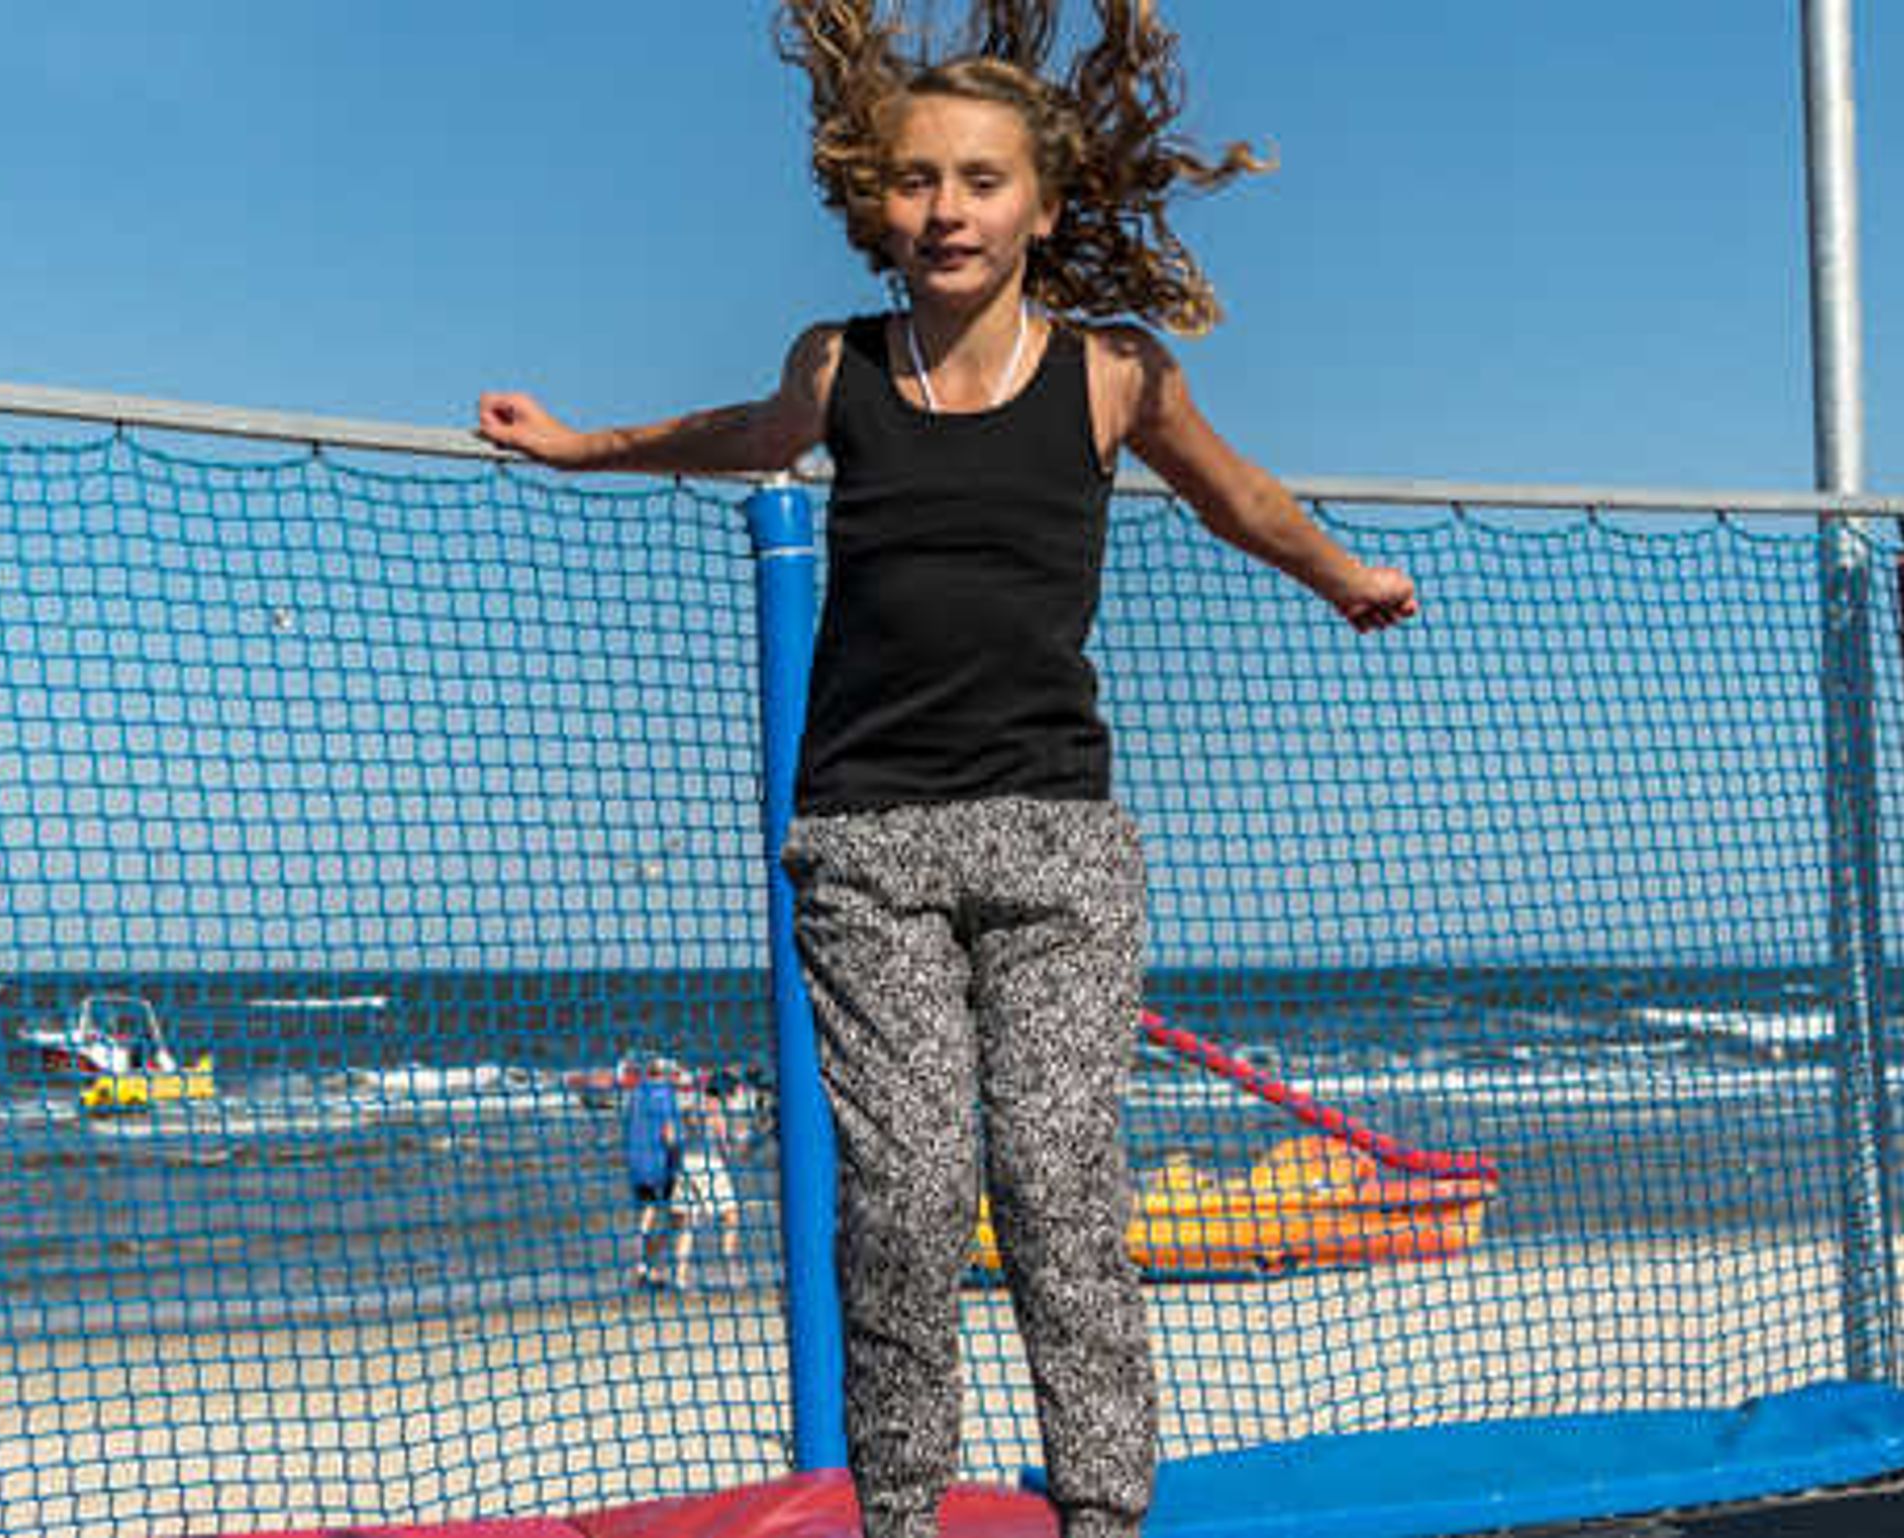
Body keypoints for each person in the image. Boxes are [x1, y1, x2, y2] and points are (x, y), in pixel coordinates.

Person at [478, 5, 1418, 1536]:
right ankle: (901, 1512)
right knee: (908, 1195)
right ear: (877, 202)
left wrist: (1341, 575)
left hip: (1056, 844)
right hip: (867, 843)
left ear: (1043, 203)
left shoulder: (1115, 377)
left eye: (980, 180)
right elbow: (741, 431)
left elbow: (1241, 497)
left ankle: (1106, 1511)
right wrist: (584, 446)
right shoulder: (840, 364)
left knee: (1057, 1190)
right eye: (916, 181)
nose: (946, 209)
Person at [670, 1072, 744, 1290]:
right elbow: (725, 1147)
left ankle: (679, 1277)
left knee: (687, 1224)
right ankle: (730, 1267)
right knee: (731, 1215)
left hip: (685, 1164)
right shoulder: (716, 1110)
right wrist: (740, 1145)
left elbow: (679, 1131)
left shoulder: (693, 1105)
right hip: (708, 1166)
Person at [621, 1057, 682, 1286]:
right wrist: (677, 1156)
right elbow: (669, 1133)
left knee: (646, 1215)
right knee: (671, 1216)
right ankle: (651, 1265)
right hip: (659, 1163)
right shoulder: (664, 1094)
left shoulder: (638, 1093)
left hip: (636, 1161)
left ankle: (643, 1266)